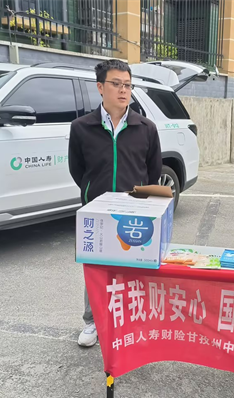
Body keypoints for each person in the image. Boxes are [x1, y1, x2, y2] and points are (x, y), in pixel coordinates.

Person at [68, 59, 162, 347]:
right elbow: (77, 169)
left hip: (133, 214)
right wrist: (92, 194)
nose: (123, 90)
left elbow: (153, 171)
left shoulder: (146, 128)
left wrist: (139, 202)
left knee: (133, 270)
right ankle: (92, 322)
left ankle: (131, 323)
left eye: (128, 85)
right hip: (97, 214)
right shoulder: (82, 127)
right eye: (116, 84)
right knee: (95, 270)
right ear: (101, 87)